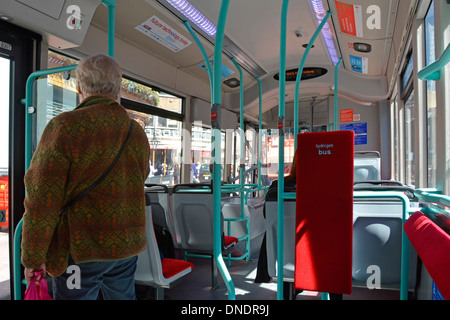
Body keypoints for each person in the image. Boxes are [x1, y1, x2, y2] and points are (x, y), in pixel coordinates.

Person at [21, 54, 150, 300]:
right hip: (125, 246)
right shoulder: (136, 132)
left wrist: (33, 258)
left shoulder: (64, 127)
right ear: (118, 87)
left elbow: (41, 199)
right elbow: (139, 178)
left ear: (79, 86)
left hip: (80, 248)